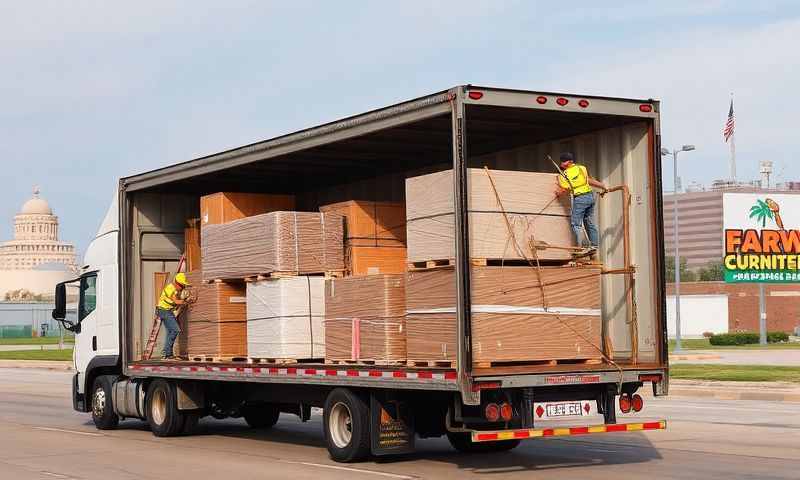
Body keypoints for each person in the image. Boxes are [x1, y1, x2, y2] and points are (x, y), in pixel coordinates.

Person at [554, 152, 608, 252]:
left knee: (576, 224)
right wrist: (602, 185)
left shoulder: (563, 175)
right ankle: (594, 246)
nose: (561, 164)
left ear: (569, 162)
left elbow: (565, 189)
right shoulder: (581, 168)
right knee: (590, 222)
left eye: (563, 161)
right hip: (590, 197)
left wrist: (558, 193)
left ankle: (579, 248)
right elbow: (588, 180)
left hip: (580, 198)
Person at [156, 272, 191, 359]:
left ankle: (168, 354)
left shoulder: (176, 290)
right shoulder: (170, 288)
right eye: (182, 286)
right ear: (177, 283)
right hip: (164, 311)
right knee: (175, 330)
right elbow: (176, 301)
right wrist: (187, 301)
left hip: (168, 311)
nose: (183, 287)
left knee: (170, 332)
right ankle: (165, 352)